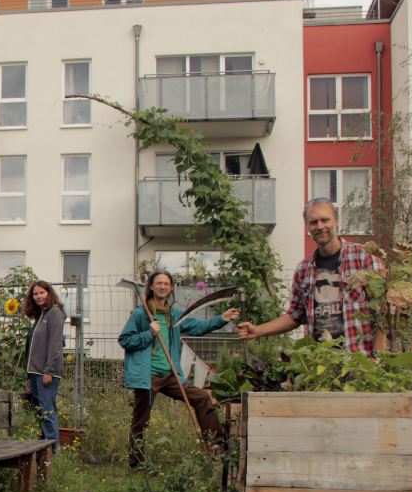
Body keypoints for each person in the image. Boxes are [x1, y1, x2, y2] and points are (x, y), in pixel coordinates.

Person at [119, 270, 239, 468]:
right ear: (151, 287)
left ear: (171, 287)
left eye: (166, 284)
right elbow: (125, 340)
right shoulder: (141, 314)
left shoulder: (174, 315)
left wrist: (222, 319)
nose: (163, 287)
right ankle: (136, 463)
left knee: (201, 397)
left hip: (171, 374)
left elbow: (199, 327)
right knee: (141, 420)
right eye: (159, 283)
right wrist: (149, 333)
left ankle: (218, 448)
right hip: (148, 375)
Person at [236, 197, 385, 354]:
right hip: (322, 363)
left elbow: (384, 312)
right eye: (313, 222)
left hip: (360, 362)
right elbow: (294, 315)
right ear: (307, 226)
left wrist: (377, 358)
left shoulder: (364, 258)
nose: (319, 226)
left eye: (324, 220)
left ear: (336, 220)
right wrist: (258, 330)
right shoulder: (303, 269)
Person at [23, 280, 67, 448]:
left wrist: (48, 371)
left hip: (47, 373)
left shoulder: (55, 313)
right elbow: (33, 349)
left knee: (47, 412)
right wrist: (28, 377)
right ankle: (43, 450)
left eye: (42, 293)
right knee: (41, 412)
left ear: (49, 293)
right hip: (34, 373)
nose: (38, 296)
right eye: (35, 294)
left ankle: (53, 453)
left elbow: (55, 344)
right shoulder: (40, 316)